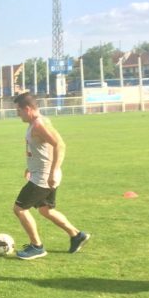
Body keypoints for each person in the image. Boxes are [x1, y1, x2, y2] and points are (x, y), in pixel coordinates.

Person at [12, 92, 90, 260]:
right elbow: (43, 148)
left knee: (20, 209)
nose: (18, 114)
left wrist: (53, 171)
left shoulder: (39, 125)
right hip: (41, 174)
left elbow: (59, 145)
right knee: (46, 210)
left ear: (27, 109)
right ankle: (76, 235)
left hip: (43, 177)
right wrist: (30, 167)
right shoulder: (37, 122)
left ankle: (36, 247)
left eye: (19, 111)